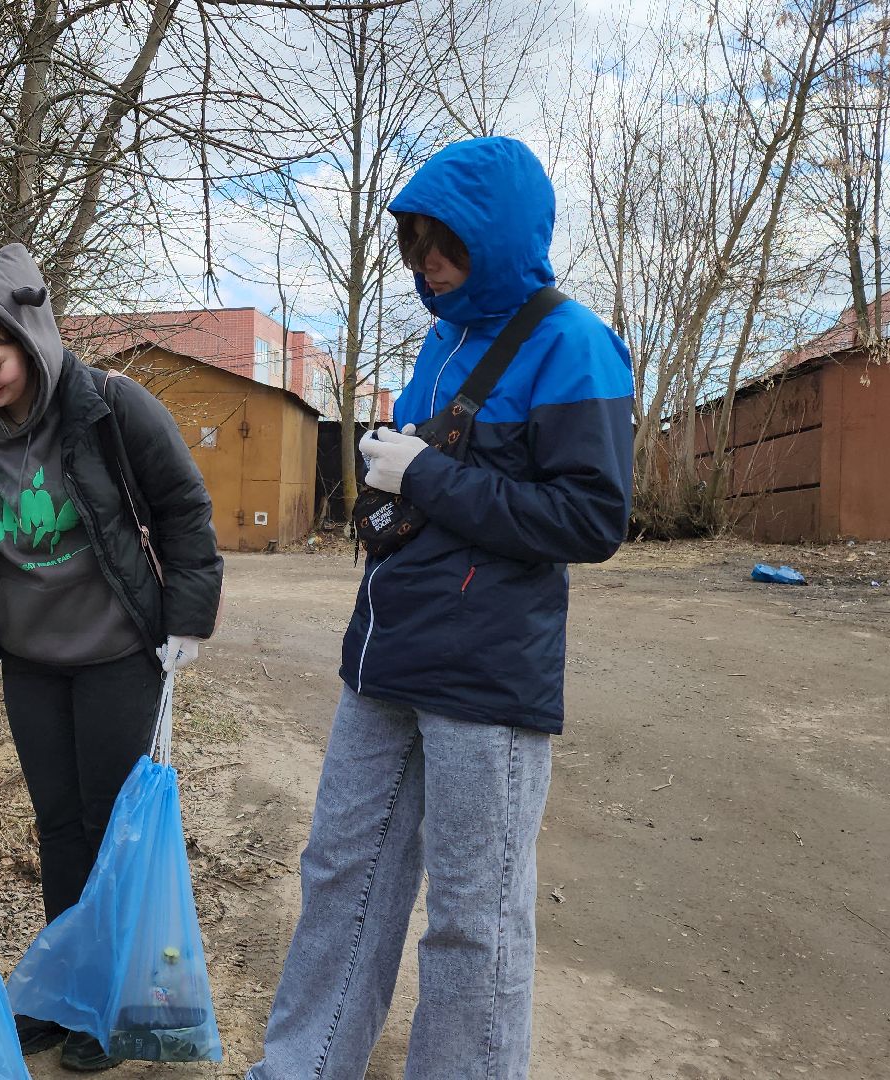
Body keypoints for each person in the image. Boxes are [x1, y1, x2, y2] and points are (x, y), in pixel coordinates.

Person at [245, 137, 635, 1080]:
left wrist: (426, 473)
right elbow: (429, 489)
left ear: (496, 238)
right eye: (415, 246)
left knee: (472, 916)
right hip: (384, 656)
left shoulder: (574, 344)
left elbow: (591, 518)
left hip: (486, 678)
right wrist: (395, 468)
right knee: (340, 876)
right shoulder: (439, 341)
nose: (427, 265)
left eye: (445, 245)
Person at [0, 243, 224, 1073]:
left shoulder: (110, 407)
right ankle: (65, 990)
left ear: (31, 335)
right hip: (32, 662)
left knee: (110, 829)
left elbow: (185, 510)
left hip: (118, 654)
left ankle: (111, 1002)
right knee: (57, 827)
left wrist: (187, 619)